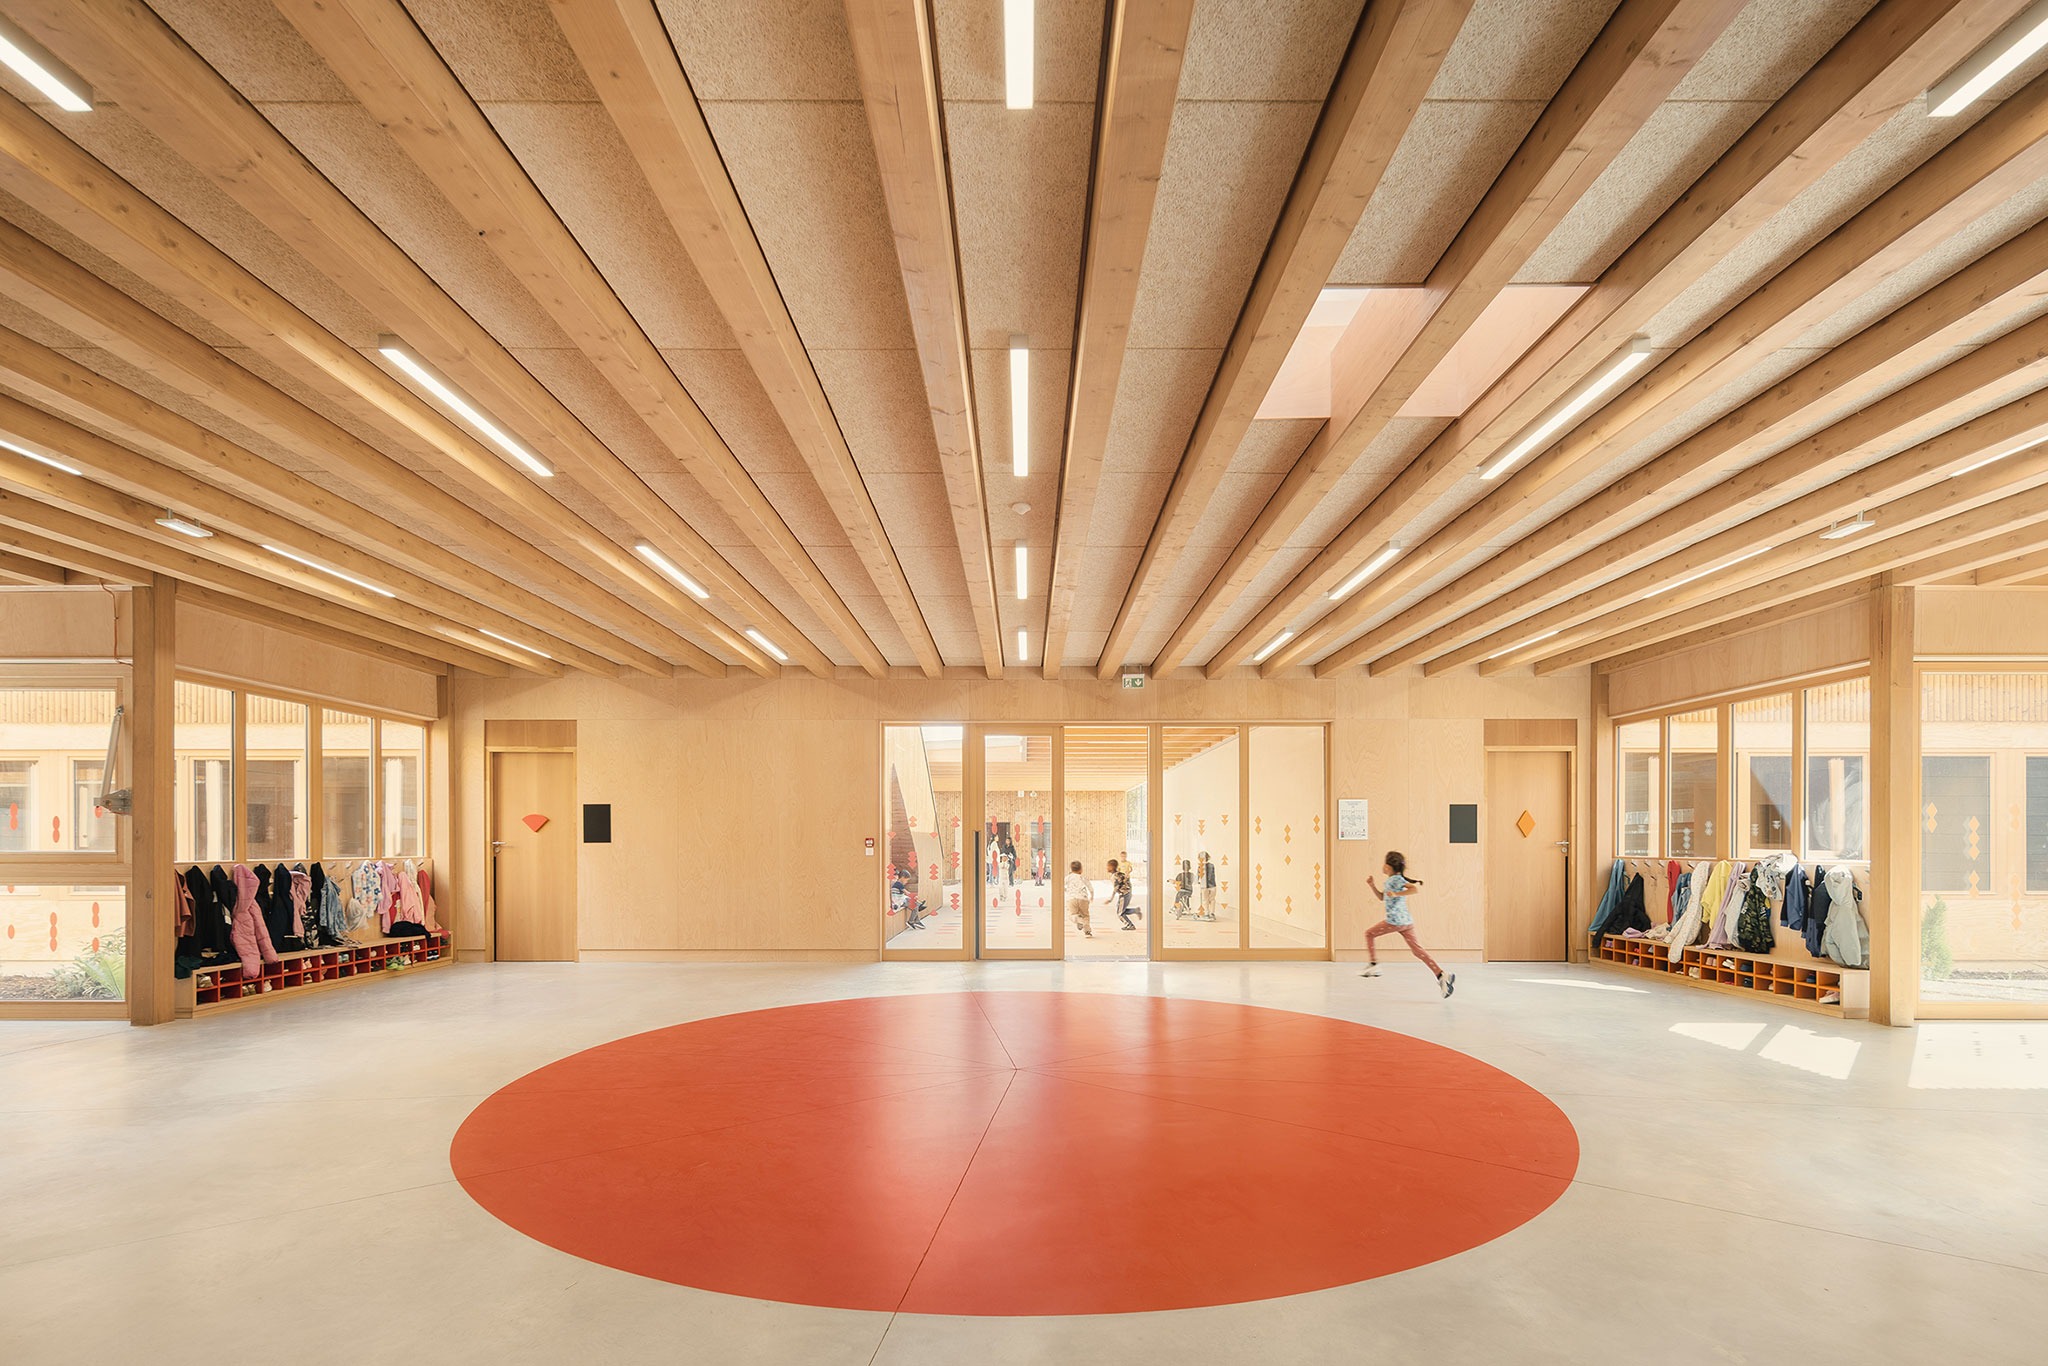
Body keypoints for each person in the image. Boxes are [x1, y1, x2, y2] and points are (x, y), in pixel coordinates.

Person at [1361, 850, 1454, 998]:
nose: (1382, 866)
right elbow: (1382, 898)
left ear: (1388, 866)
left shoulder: (1396, 879)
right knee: (1417, 951)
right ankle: (1441, 975)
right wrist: (1372, 886)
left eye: (1384, 863)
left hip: (1395, 921)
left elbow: (1414, 889)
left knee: (1369, 933)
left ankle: (1373, 965)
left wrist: (1396, 894)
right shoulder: (1392, 880)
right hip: (1406, 922)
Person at [1064, 860, 1093, 939]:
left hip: (1071, 899)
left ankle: (1078, 919)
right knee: (1085, 915)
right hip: (1083, 899)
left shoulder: (1068, 877)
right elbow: (1090, 888)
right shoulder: (1083, 878)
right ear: (1081, 869)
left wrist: (1066, 890)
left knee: (1072, 914)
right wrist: (1092, 896)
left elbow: (1060, 884)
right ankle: (1087, 932)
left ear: (1071, 869)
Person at [1109, 859, 1138, 930]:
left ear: (1112, 867)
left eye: (1108, 866)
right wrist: (1129, 891)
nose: (1107, 868)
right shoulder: (1120, 874)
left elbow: (1116, 888)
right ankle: (1135, 910)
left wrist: (1111, 899)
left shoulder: (1114, 876)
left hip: (1124, 895)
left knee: (1120, 913)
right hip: (1127, 893)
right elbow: (1128, 882)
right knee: (1120, 908)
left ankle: (1130, 925)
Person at [1198, 851, 1218, 921]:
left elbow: (1199, 876)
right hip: (1213, 885)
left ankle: (1207, 914)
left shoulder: (1200, 866)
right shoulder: (1212, 865)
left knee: (1205, 900)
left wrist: (1199, 881)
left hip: (1204, 886)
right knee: (1212, 899)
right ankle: (1212, 913)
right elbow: (1211, 875)